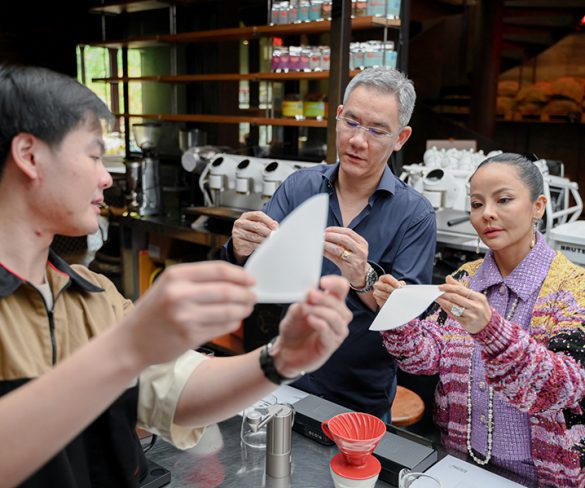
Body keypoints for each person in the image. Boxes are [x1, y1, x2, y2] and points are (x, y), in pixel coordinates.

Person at [0, 64, 353, 488]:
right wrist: (127, 347)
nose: (105, 176)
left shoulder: (91, 296)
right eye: (94, 155)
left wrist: (280, 360)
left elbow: (174, 390)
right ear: (30, 155)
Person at [222, 66, 436, 420]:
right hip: (284, 374)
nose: (357, 140)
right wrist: (242, 249)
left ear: (401, 137)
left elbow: (408, 326)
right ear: (337, 116)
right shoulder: (299, 188)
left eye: (377, 130)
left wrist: (363, 277)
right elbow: (252, 275)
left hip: (359, 394)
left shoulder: (415, 215)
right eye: (351, 122)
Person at [373, 153, 585, 486]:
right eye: (476, 203)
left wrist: (491, 331)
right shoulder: (465, 278)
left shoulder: (573, 287)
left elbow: (564, 388)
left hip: (543, 477)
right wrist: (398, 316)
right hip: (458, 466)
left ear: (538, 206)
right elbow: (427, 358)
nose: (487, 214)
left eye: (504, 199)